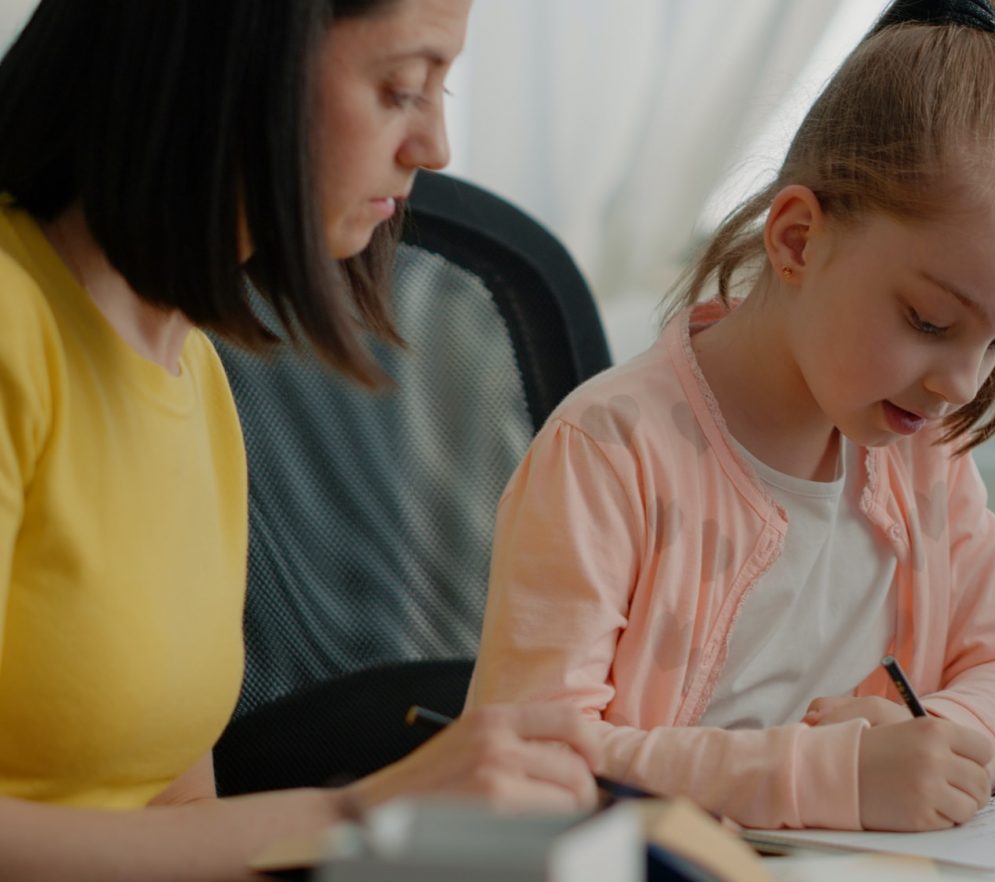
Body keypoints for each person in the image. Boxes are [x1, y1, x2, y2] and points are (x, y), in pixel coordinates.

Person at [470, 0, 995, 832]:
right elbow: (528, 762)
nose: (960, 383)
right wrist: (827, 776)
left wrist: (940, 741)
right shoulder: (609, 454)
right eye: (930, 323)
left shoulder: (923, 451)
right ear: (799, 241)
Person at [0, 1, 598, 878]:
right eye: (402, 87)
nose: (434, 147)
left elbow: (174, 811)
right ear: (230, 59)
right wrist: (361, 813)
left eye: (443, 89)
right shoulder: (14, 328)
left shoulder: (189, 362)